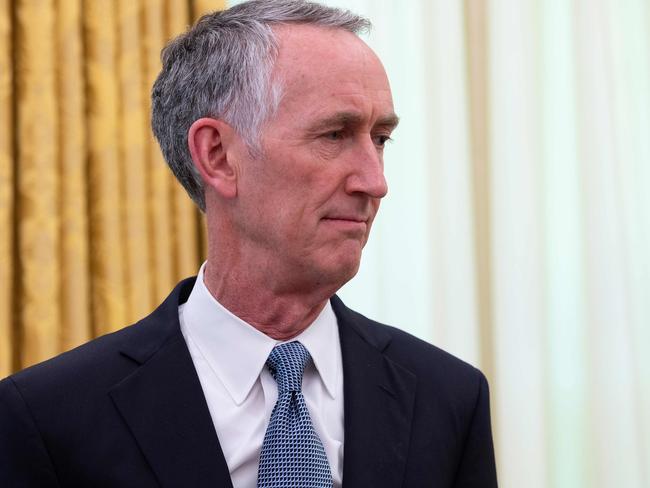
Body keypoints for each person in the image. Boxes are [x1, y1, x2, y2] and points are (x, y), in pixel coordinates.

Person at [0, 1, 498, 487]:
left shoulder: (449, 397)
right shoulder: (47, 418)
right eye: (334, 134)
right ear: (217, 155)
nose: (375, 181)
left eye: (380, 139)